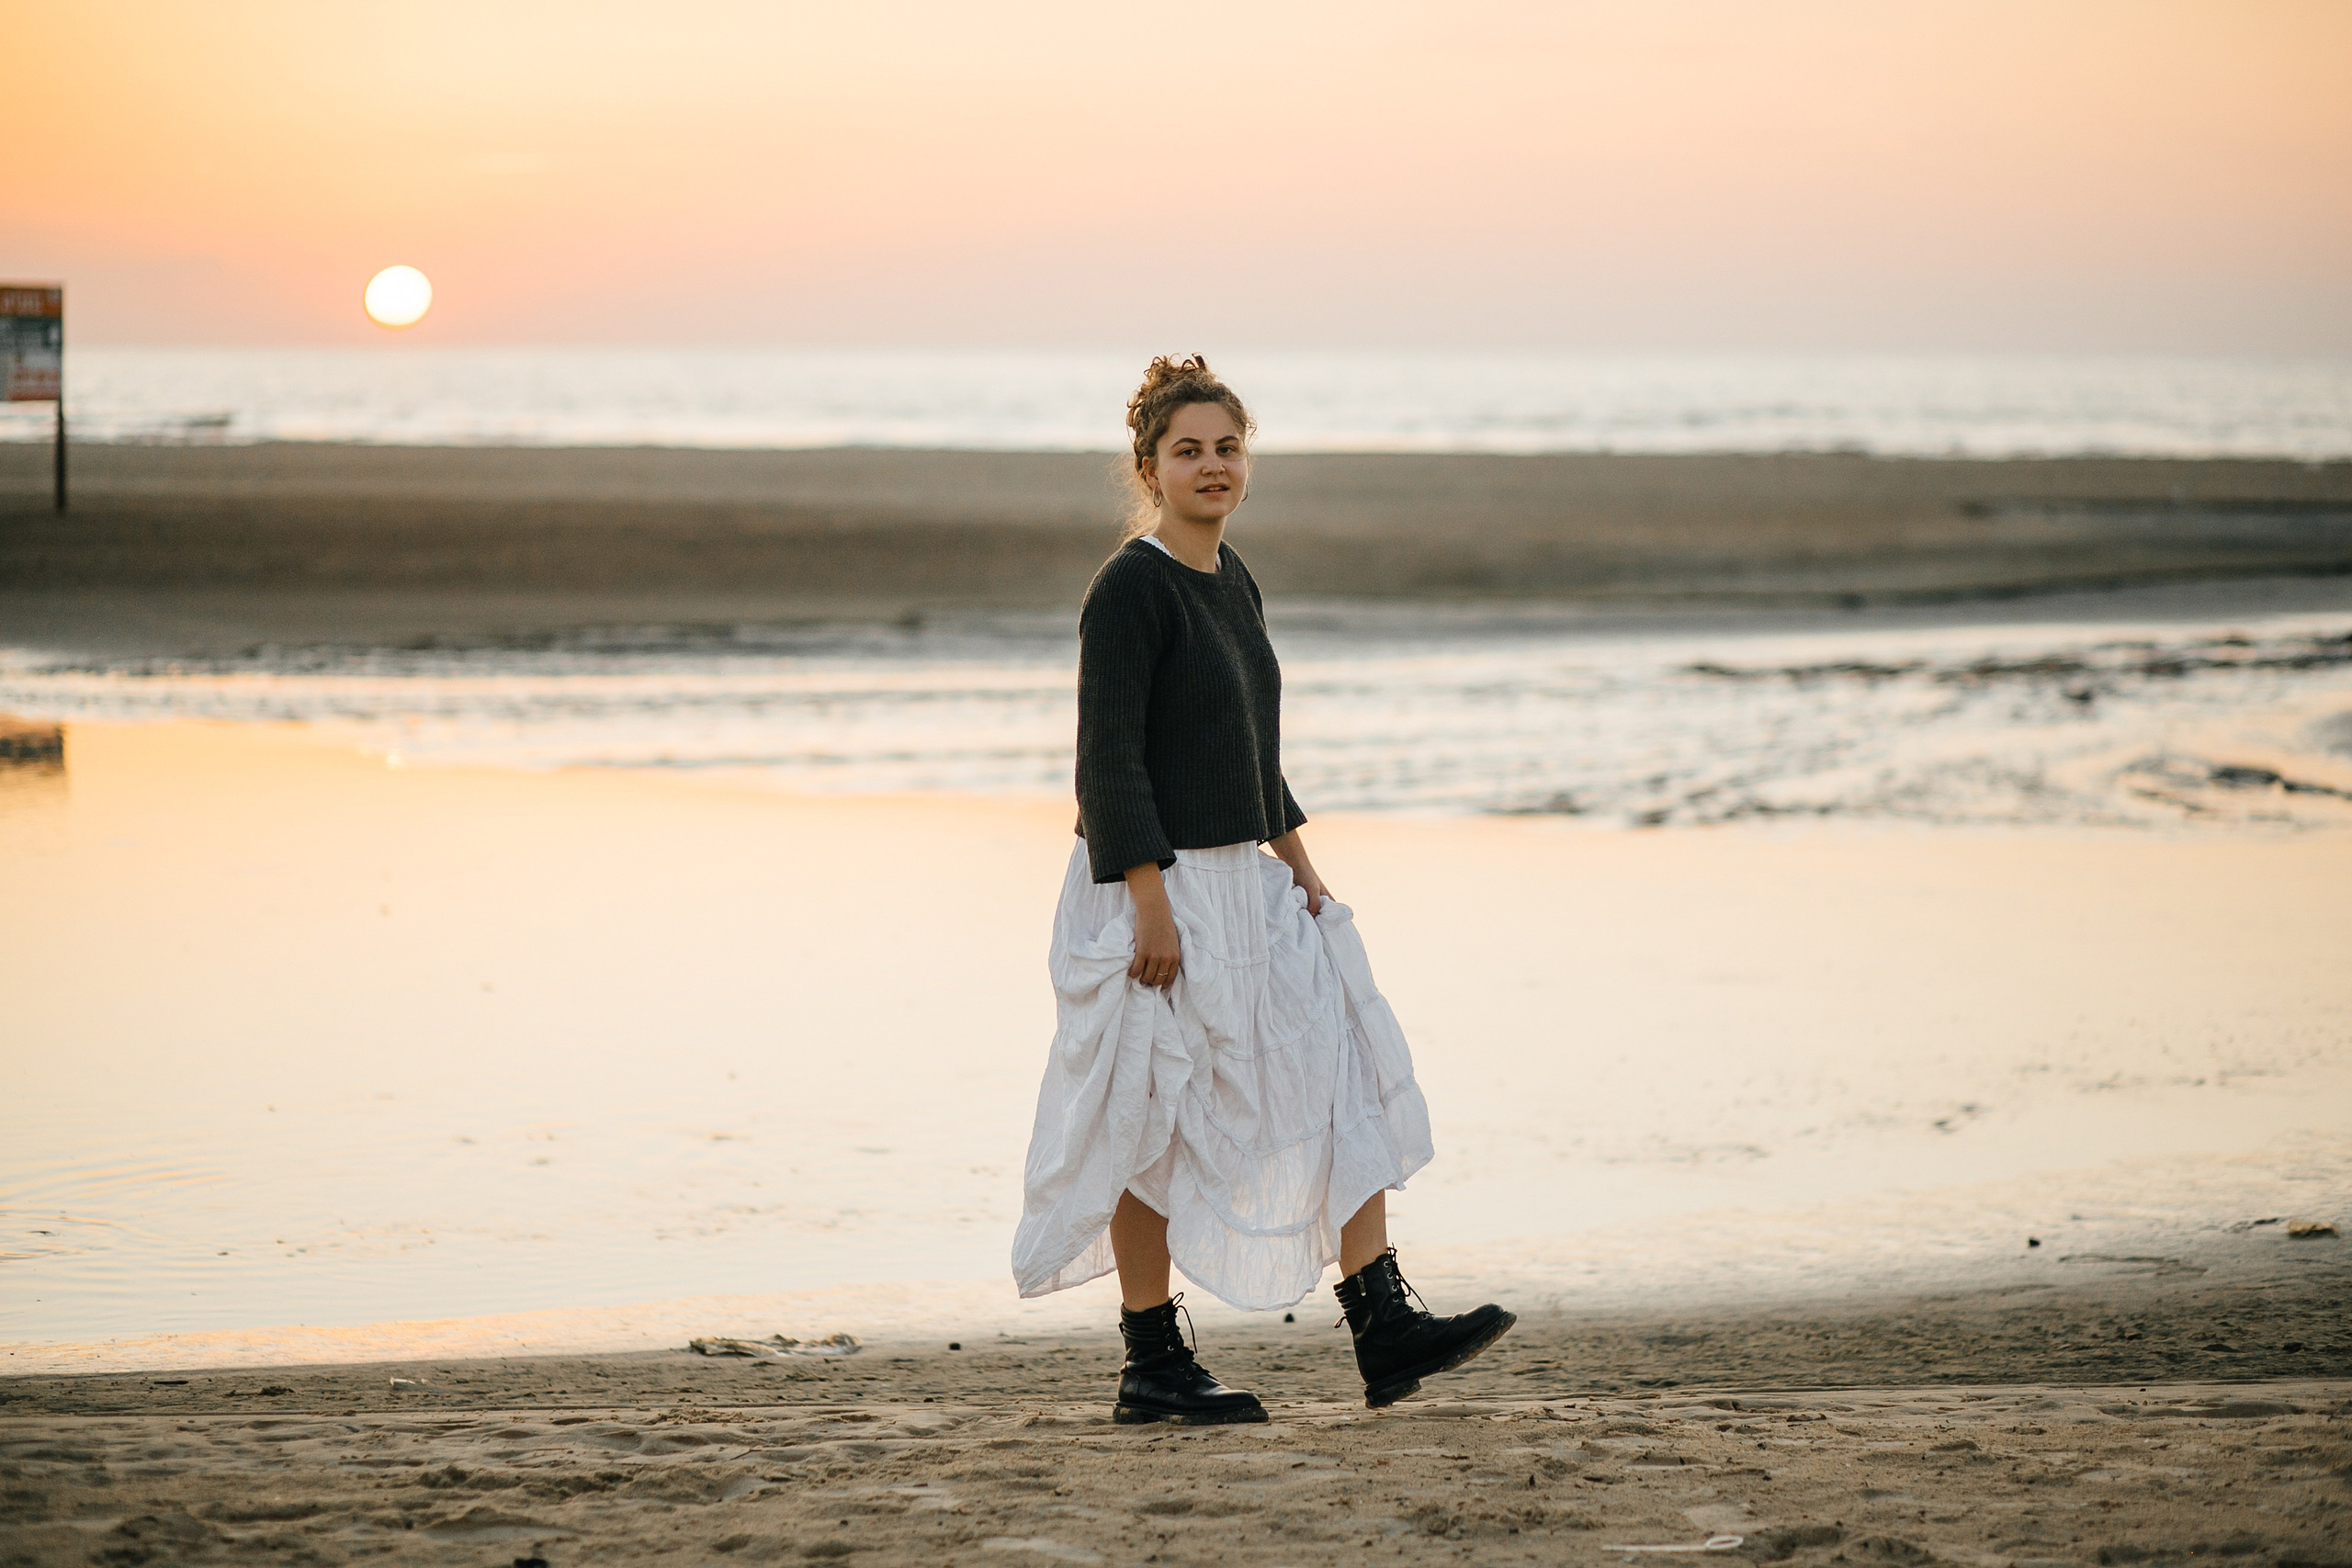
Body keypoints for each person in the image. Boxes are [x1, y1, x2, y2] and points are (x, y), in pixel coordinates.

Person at [1011, 355, 1512, 1425]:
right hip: (1158, 891)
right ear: (1149, 469)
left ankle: (1382, 1323)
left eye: (1227, 447)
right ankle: (1151, 1363)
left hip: (1249, 884)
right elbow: (1109, 764)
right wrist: (1146, 899)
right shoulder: (1131, 589)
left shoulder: (1233, 579)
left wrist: (1304, 873)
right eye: (1187, 450)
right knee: (1154, 1114)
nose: (1212, 466)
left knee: (1337, 1062)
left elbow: (1251, 752)